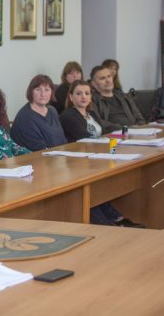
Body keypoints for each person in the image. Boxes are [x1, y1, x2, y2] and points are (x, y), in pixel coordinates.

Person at [58, 84, 144, 228]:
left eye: (87, 93)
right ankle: (109, 224)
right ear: (71, 97)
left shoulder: (91, 113)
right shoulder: (68, 115)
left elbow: (103, 132)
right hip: (79, 163)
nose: (83, 97)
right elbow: (85, 138)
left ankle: (117, 219)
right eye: (79, 93)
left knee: (99, 190)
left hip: (97, 158)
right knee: (91, 191)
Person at [10, 74, 67, 151]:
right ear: (31, 92)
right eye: (38, 90)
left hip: (58, 154)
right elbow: (38, 148)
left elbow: (62, 140)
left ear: (51, 92)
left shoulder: (52, 111)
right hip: (35, 156)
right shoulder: (25, 116)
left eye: (47, 90)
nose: (43, 94)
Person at [90, 66, 145, 133]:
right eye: (102, 78)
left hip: (134, 133)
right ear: (94, 84)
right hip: (111, 135)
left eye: (109, 76)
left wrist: (139, 128)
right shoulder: (91, 99)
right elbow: (97, 121)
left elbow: (139, 118)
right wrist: (124, 129)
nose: (108, 81)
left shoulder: (124, 96)